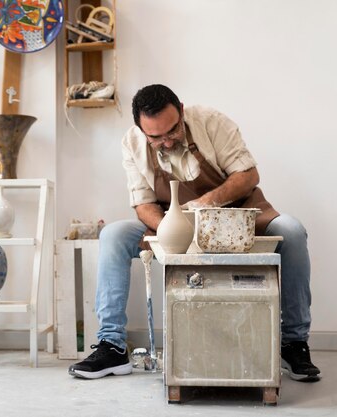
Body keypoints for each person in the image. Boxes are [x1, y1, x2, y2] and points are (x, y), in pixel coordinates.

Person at [68, 84, 321, 382]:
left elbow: (248, 175)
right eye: (155, 137)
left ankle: (293, 342)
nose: (165, 141)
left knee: (292, 231)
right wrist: (170, 224)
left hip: (237, 215)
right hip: (171, 222)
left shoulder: (211, 122)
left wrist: (204, 204)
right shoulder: (132, 143)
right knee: (113, 235)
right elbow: (143, 203)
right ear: (141, 129)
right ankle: (112, 345)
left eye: (172, 131)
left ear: (182, 111)